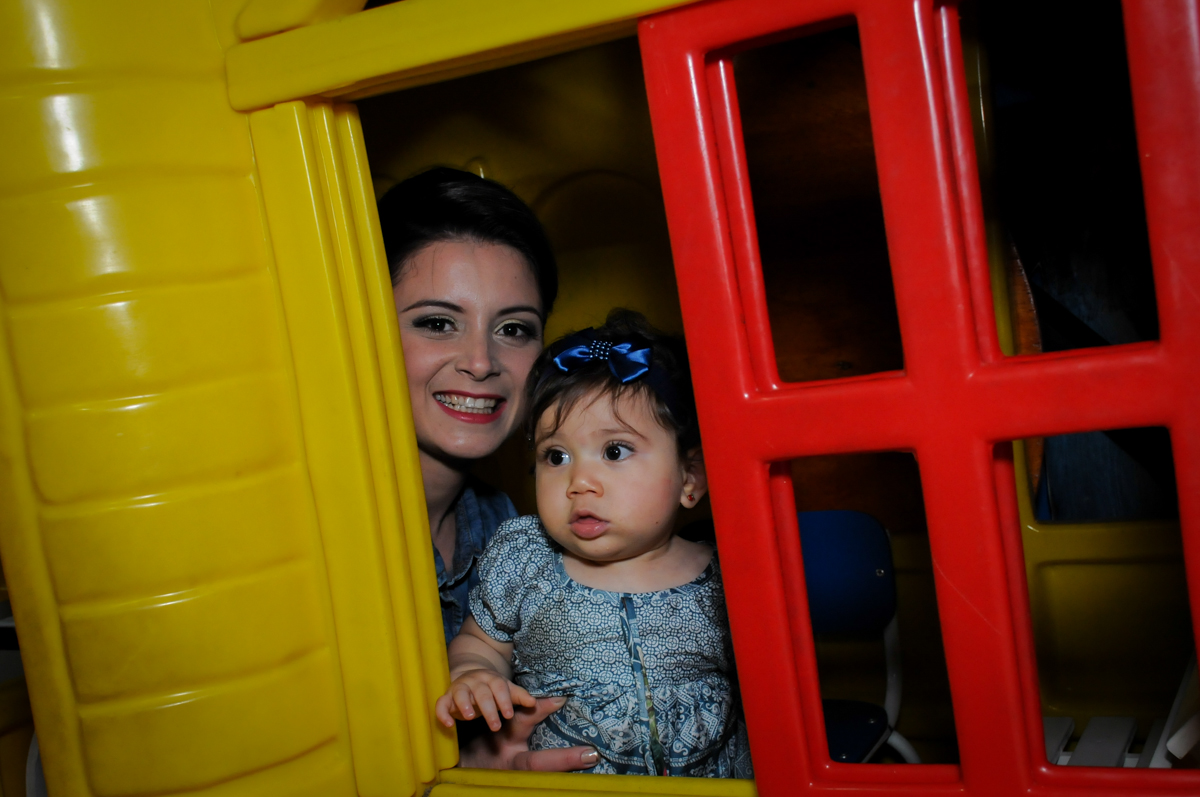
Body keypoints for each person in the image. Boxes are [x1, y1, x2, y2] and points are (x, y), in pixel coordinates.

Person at [434, 310, 754, 778]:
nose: (580, 481)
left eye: (614, 451)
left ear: (690, 477)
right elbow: (481, 645)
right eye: (556, 455)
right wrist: (473, 675)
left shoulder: (726, 575)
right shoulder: (526, 561)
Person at [380, 167, 595, 771]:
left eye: (514, 329)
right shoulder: (310, 538)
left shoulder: (509, 526)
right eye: (437, 323)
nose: (481, 361)